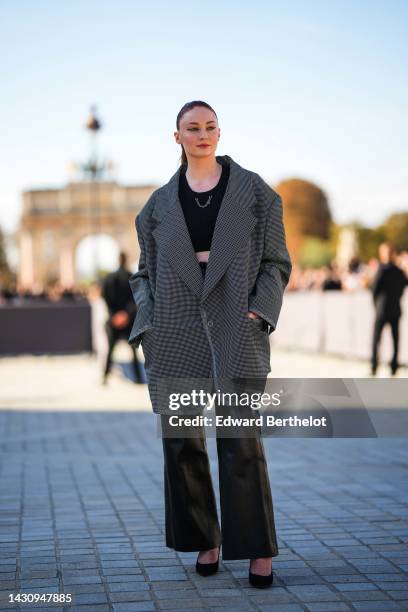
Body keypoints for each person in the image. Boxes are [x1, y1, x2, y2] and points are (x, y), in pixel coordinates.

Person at [128, 101, 292, 588]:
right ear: (176, 137)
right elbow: (143, 275)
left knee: (241, 438)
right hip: (175, 328)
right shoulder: (156, 206)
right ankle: (206, 538)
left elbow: (276, 263)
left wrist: (259, 311)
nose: (203, 134)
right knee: (182, 441)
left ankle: (257, 550)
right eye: (192, 128)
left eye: (210, 127)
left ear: (220, 133)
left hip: (234, 324)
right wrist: (149, 322)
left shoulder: (256, 194)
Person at [102, 251, 144, 384]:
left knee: (110, 349)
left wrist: (114, 315)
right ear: (125, 260)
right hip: (129, 321)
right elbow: (137, 299)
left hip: (114, 320)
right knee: (133, 351)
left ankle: (105, 377)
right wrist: (126, 314)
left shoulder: (109, 278)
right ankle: (137, 377)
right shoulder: (132, 277)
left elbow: (106, 298)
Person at [371, 242, 408, 376]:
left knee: (376, 340)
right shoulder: (400, 272)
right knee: (395, 340)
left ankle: (374, 366)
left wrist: (376, 305)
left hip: (382, 309)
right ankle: (394, 367)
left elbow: (374, 289)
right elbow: (403, 287)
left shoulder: (382, 270)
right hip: (395, 309)